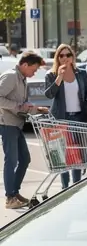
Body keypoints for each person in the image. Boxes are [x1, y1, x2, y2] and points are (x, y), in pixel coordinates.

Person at [44, 44, 87, 190]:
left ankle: (76, 186)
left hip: (80, 117)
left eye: (68, 55)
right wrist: (59, 76)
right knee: (64, 156)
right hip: (61, 118)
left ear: (73, 57)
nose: (65, 58)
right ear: (57, 58)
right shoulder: (51, 75)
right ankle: (64, 187)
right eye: (62, 56)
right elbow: (49, 94)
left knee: (77, 154)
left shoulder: (81, 73)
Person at [0, 52, 45, 209]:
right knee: (11, 160)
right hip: (8, 124)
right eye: (34, 69)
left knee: (24, 159)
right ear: (25, 65)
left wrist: (38, 109)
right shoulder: (11, 76)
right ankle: (10, 197)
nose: (35, 72)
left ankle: (14, 192)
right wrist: (18, 106)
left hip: (17, 124)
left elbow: (23, 104)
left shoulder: (22, 79)